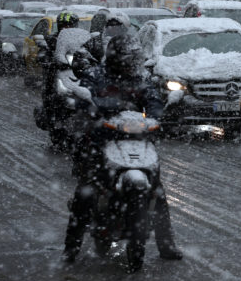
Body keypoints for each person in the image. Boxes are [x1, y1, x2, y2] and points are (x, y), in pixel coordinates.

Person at [62, 34, 182, 264]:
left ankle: (166, 245)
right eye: (129, 59)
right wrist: (100, 109)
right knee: (86, 191)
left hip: (137, 140)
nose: (132, 64)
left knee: (157, 191)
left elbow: (154, 100)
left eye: (135, 59)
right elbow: (82, 100)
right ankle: (71, 246)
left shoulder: (141, 77)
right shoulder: (96, 76)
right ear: (117, 58)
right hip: (101, 140)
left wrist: (158, 117)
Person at [36, 12, 80, 131]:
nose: (67, 28)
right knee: (50, 92)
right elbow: (42, 54)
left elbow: (94, 53)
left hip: (76, 74)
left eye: (70, 26)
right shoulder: (51, 40)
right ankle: (50, 118)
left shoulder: (82, 41)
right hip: (57, 73)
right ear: (59, 26)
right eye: (64, 26)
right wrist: (47, 60)